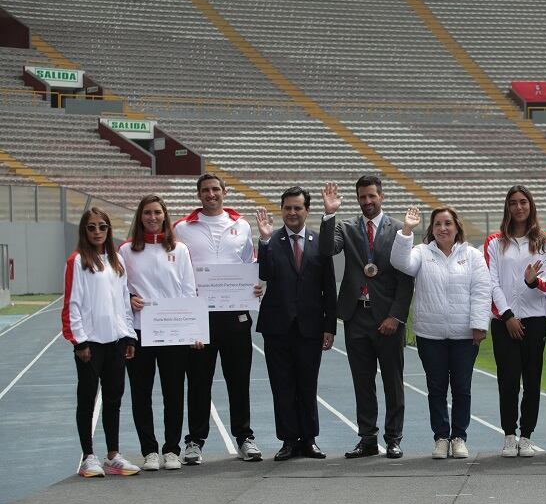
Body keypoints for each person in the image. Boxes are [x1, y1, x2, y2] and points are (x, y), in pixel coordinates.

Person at [320, 176, 414, 459]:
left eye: (371, 196)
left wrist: (395, 316)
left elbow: (406, 279)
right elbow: (327, 249)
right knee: (362, 381)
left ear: (381, 196)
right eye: (362, 197)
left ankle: (394, 438)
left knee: (392, 381)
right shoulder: (346, 227)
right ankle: (368, 438)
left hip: (387, 318)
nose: (367, 202)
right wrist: (329, 213)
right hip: (355, 315)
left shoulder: (400, 230)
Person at [391, 206, 491, 460]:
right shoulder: (422, 253)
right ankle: (440, 438)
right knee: (436, 388)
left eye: (447, 223)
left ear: (457, 227)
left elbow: (481, 291)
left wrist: (480, 325)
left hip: (464, 336)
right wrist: (406, 230)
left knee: (461, 388)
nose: (443, 228)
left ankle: (459, 437)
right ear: (431, 229)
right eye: (437, 224)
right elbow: (400, 262)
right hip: (430, 335)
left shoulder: (472, 255)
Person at [174, 173, 262, 464]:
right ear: (198, 195)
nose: (211, 194)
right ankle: (195, 441)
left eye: (215, 189)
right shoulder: (182, 228)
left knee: (239, 380)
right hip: (199, 318)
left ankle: (244, 437)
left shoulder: (242, 225)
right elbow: (175, 270)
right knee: (198, 381)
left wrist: (254, 286)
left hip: (235, 315)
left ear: (225, 192)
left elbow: (249, 264)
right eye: (205, 190)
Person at [256, 187, 337, 461]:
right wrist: (265, 241)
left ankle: (310, 439)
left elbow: (329, 287)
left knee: (307, 385)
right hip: (277, 327)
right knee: (282, 386)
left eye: (297, 208)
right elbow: (264, 273)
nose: (292, 213)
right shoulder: (271, 240)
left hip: (311, 328)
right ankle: (289, 441)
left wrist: (330, 326)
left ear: (307, 211)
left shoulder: (320, 242)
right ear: (282, 210)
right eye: (287, 208)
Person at [119, 195, 198, 472]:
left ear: (165, 215)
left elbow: (189, 291)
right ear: (140, 218)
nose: (152, 217)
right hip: (139, 332)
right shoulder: (127, 251)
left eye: (157, 212)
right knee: (141, 393)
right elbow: (118, 289)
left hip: (173, 333)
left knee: (173, 393)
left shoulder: (180, 249)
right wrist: (129, 297)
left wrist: (193, 330)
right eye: (147, 213)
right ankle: (150, 450)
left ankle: (172, 449)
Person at [62, 207, 140, 477]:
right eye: (91, 227)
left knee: (114, 400)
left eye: (102, 227)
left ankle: (112, 455)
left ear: (109, 230)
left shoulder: (116, 261)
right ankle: (88, 456)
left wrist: (129, 335)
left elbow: (123, 305)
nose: (97, 232)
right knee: (86, 399)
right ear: (84, 231)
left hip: (116, 343)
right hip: (90, 346)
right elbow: (71, 305)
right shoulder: (77, 261)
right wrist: (79, 342)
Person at [484, 185, 546, 458]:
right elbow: (491, 283)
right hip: (504, 322)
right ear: (508, 207)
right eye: (513, 203)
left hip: (535, 321)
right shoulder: (494, 241)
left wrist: (532, 281)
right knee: (508, 381)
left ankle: (526, 435)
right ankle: (509, 435)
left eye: (523, 202)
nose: (519, 207)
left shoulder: (545, 241)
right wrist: (508, 316)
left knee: (532, 380)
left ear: (530, 205)